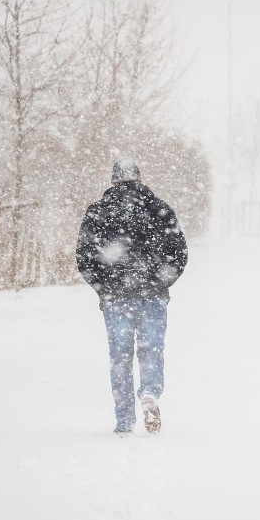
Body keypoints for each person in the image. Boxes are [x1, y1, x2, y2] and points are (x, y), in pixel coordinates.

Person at [76, 157, 188, 434]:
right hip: (153, 295)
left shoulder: (99, 211)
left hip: (116, 297)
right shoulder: (160, 210)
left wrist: (103, 288)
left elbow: (85, 257)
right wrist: (162, 281)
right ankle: (150, 393)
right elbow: (179, 252)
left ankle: (124, 419)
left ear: (113, 180)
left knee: (120, 356)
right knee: (152, 349)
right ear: (139, 178)